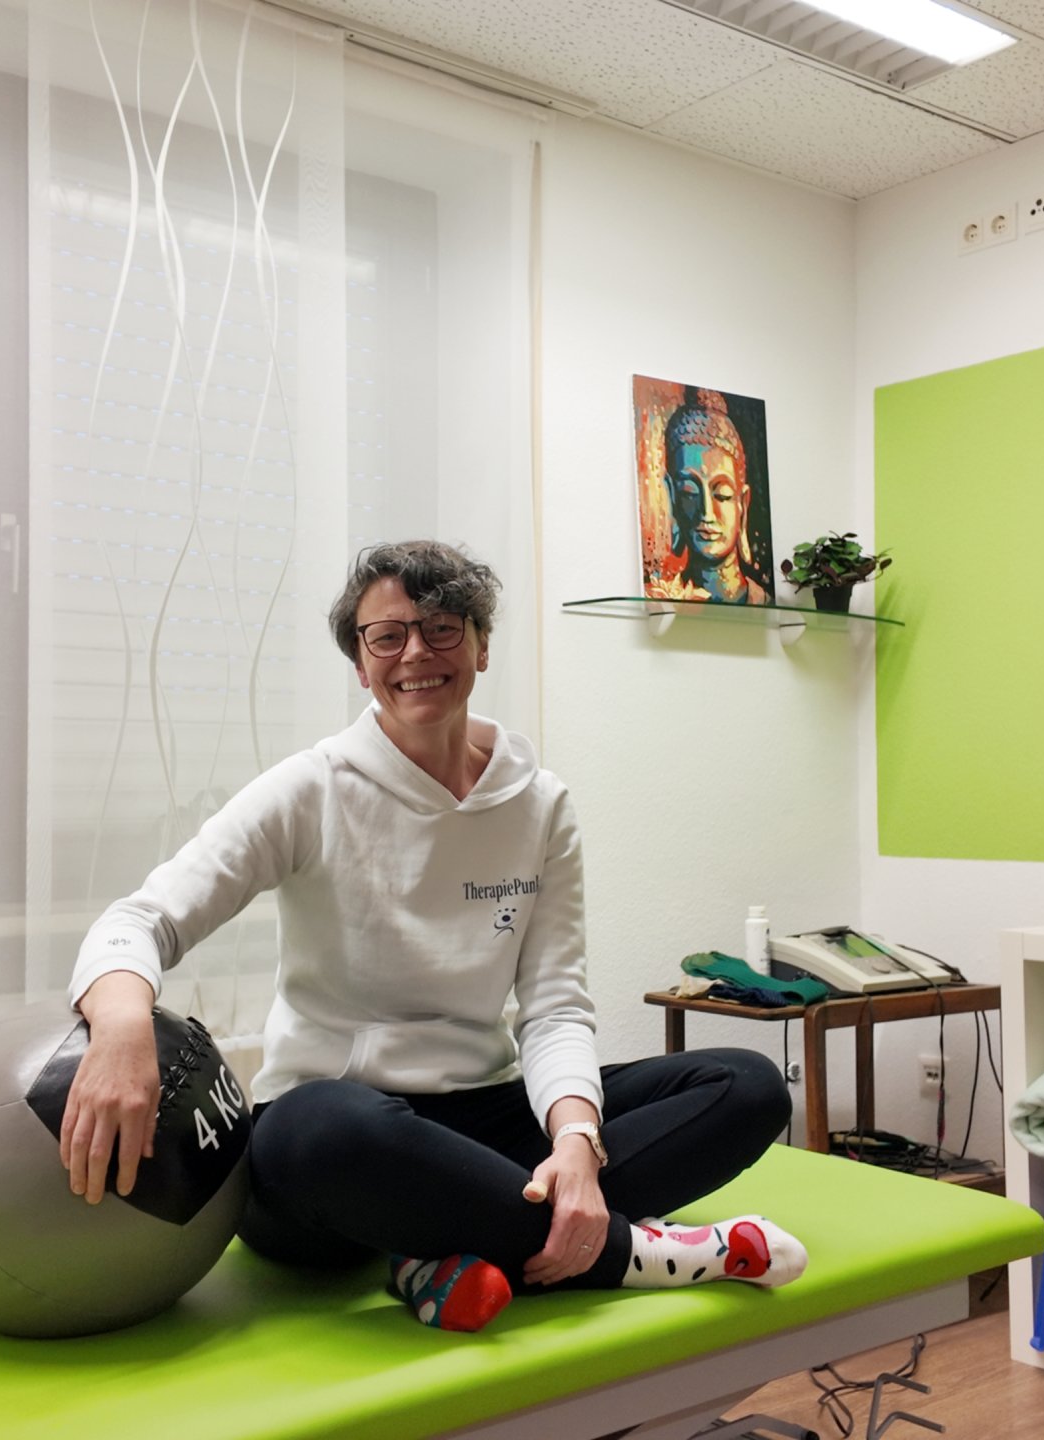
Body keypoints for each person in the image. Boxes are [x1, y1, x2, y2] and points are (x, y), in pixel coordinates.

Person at [59, 541, 802, 1332]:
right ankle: (632, 1253)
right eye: (387, 636)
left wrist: (578, 1143)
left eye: (442, 628)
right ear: (361, 665)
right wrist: (123, 1027)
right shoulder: (312, 789)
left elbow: (553, 1007)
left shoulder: (540, 805)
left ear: (481, 646)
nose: (415, 652)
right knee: (318, 1131)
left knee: (747, 1086)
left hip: (487, 1117)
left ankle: (442, 1247)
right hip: (336, 1144)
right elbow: (142, 920)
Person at [661, 392, 771, 604]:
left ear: (742, 504)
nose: (707, 512)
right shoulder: (664, 601)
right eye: (690, 493)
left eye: (722, 495)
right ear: (672, 496)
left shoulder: (766, 604)